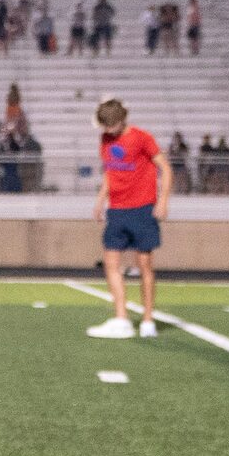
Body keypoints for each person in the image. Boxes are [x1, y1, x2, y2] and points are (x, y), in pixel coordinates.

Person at [87, 96, 171, 339]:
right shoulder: (105, 139)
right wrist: (101, 199)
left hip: (142, 209)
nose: (106, 130)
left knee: (144, 265)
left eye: (109, 125)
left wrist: (163, 201)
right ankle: (122, 318)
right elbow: (110, 171)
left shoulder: (142, 138)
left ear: (121, 120)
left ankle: (147, 320)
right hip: (117, 210)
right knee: (111, 263)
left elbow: (165, 169)